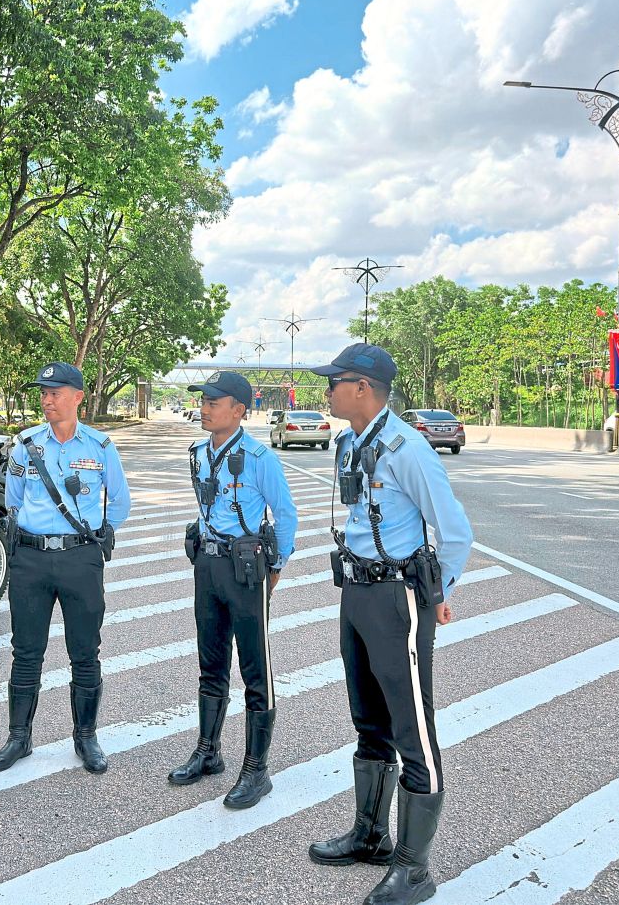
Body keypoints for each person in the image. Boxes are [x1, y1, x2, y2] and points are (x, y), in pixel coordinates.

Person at [306, 343, 472, 905]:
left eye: (335, 381)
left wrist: (439, 593)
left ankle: (414, 868)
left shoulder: (408, 448)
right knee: (367, 718)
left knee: (412, 729)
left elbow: (454, 531)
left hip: (398, 598)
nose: (327, 390)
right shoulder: (351, 442)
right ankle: (371, 835)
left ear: (363, 388)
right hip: (357, 592)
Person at [0, 362, 131, 775]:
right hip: (31, 558)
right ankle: (19, 738)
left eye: (55, 393)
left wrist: (94, 535)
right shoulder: (26, 444)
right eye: (43, 393)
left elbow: (119, 502)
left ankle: (86, 737)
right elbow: (13, 499)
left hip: (79, 559)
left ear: (78, 397)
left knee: (85, 652)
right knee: (25, 651)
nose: (47, 400)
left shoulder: (100, 447)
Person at [168, 371, 297, 809]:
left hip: (245, 571)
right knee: (211, 661)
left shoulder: (260, 457)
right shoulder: (198, 453)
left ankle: (256, 770)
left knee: (255, 668)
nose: (204, 409)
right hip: (207, 565)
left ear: (239, 410)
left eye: (213, 402)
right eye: (203, 401)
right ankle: (208, 751)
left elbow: (286, 514)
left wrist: (275, 566)